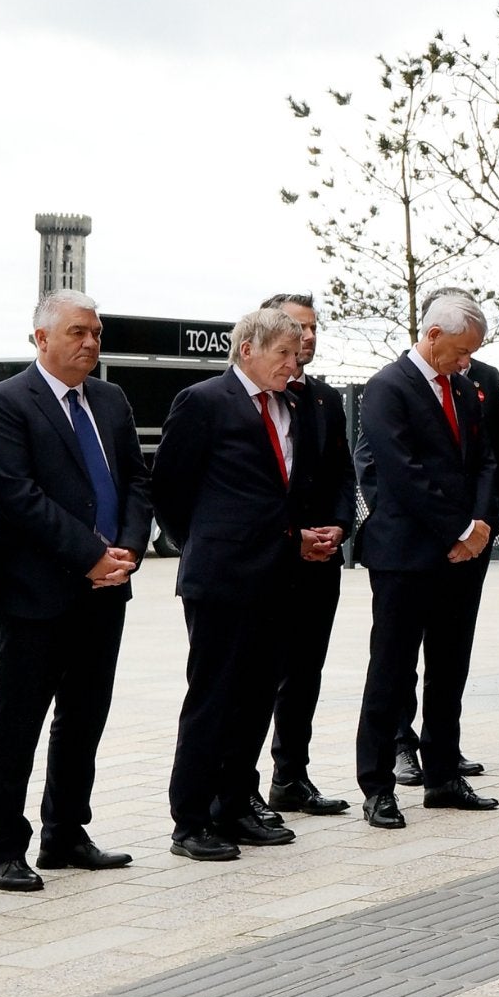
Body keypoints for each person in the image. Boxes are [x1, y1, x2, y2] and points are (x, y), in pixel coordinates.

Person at [0, 292, 147, 886]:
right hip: (36, 594)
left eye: (96, 332)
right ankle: (3, 848)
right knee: (18, 721)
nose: (91, 343)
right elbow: (17, 497)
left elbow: (135, 482)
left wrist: (127, 548)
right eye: (77, 332)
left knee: (84, 717)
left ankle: (66, 833)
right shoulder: (6, 403)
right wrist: (90, 555)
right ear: (41, 339)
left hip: (106, 589)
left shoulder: (111, 400)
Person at [151, 306, 324, 858]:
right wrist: (209, 544)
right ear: (247, 349)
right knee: (215, 698)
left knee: (256, 701)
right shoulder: (204, 402)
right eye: (283, 354)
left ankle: (235, 803)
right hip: (222, 578)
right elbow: (172, 490)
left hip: (280, 576)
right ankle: (191, 819)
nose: (292, 365)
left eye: (296, 355)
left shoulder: (290, 404)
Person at [352, 290, 499, 825]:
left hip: (460, 556)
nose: (467, 362)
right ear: (433, 335)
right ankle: (377, 786)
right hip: (405, 555)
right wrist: (460, 527)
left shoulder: (465, 390)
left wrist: (482, 526)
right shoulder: (387, 388)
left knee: (449, 669)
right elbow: (401, 472)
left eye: (473, 353)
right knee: (392, 672)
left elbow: (488, 460)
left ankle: (443, 775)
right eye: (461, 351)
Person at [258, 293, 355, 819]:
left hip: (320, 558)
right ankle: (240, 785)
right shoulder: (246, 400)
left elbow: (342, 473)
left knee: (305, 671)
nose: (308, 338)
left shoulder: (323, 399)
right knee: (258, 674)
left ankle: (290, 776)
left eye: (313, 327)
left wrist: (339, 527)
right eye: (297, 328)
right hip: (271, 558)